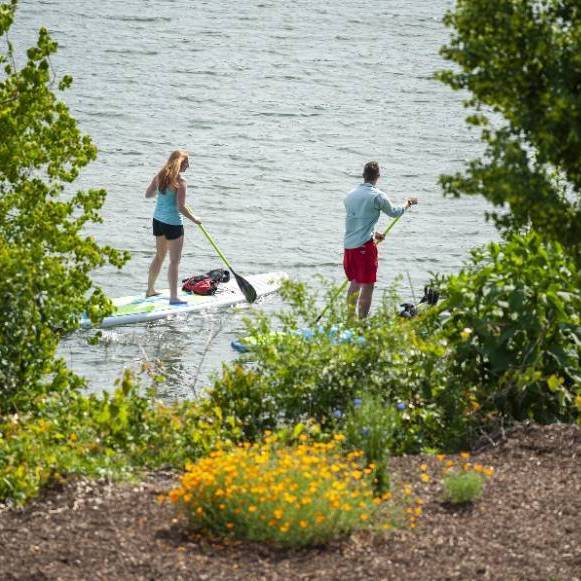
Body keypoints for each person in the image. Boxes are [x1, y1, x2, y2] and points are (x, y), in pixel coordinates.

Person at [343, 161, 417, 318]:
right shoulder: (377, 196)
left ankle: (349, 320)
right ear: (377, 177)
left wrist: (373, 233)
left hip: (349, 247)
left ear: (363, 176)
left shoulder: (350, 195)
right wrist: (407, 203)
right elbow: (395, 212)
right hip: (364, 247)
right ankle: (362, 321)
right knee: (367, 285)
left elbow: (357, 220)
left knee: (355, 282)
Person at [145, 149, 202, 304]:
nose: (188, 166)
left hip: (158, 221)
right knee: (174, 261)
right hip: (173, 224)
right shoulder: (181, 182)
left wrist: (162, 191)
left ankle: (150, 290)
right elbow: (180, 207)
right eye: (186, 163)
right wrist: (195, 219)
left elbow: (148, 194)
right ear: (180, 163)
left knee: (159, 256)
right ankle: (173, 297)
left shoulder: (159, 176)